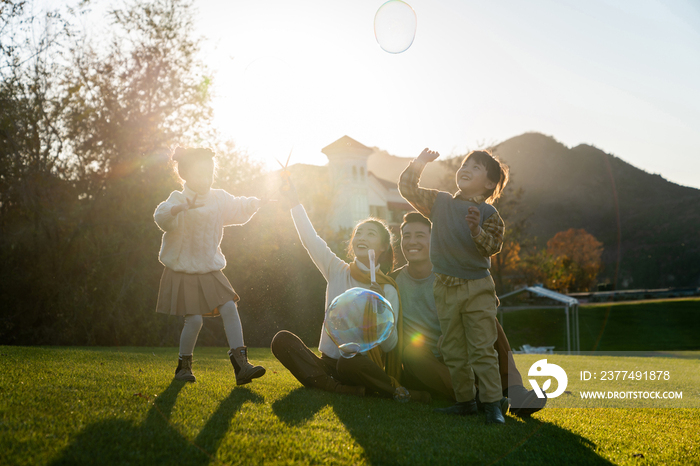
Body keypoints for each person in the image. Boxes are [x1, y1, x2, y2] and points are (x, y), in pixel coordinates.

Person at [271, 182, 431, 403]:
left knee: (349, 361)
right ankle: (339, 387)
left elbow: (390, 345)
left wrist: (380, 309)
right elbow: (311, 241)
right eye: (359, 233)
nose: (362, 237)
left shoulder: (386, 289)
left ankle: (342, 386)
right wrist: (294, 203)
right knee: (282, 341)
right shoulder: (337, 270)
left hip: (358, 365)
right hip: (328, 363)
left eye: (370, 234)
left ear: (383, 247)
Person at [392, 212, 546, 417]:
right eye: (407, 235)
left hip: (461, 349)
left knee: (487, 320)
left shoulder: (454, 273)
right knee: (411, 352)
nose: (412, 241)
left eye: (420, 235)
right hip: (427, 362)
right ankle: (478, 397)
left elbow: (484, 305)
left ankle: (514, 391)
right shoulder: (392, 283)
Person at [399, 148, 510, 424]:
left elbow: (492, 247)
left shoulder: (490, 214)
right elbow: (406, 188)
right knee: (452, 348)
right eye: (465, 164)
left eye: (476, 167)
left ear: (489, 184)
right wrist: (420, 162)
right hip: (445, 286)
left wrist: (476, 231)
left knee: (482, 348)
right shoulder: (440, 202)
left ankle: (492, 403)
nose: (466, 169)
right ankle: (464, 402)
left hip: (477, 288)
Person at [154, 147, 267, 385]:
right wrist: (177, 209)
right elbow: (161, 216)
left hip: (209, 267)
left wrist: (257, 202)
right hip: (183, 268)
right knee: (194, 320)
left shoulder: (219, 198)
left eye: (210, 173)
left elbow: (238, 206)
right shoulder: (178, 198)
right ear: (185, 174)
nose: (206, 178)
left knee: (229, 307)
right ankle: (183, 367)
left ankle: (241, 365)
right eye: (200, 173)